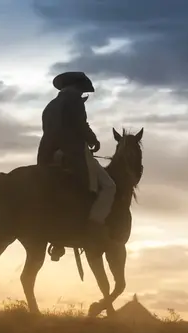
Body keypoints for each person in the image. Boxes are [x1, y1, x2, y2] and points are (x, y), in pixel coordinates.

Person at [37, 71, 117, 248]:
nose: (82, 93)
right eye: (81, 90)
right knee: (109, 186)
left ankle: (58, 235)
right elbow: (80, 124)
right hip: (71, 151)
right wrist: (92, 139)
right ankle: (94, 225)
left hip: (47, 154)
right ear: (77, 87)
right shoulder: (74, 100)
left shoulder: (50, 105)